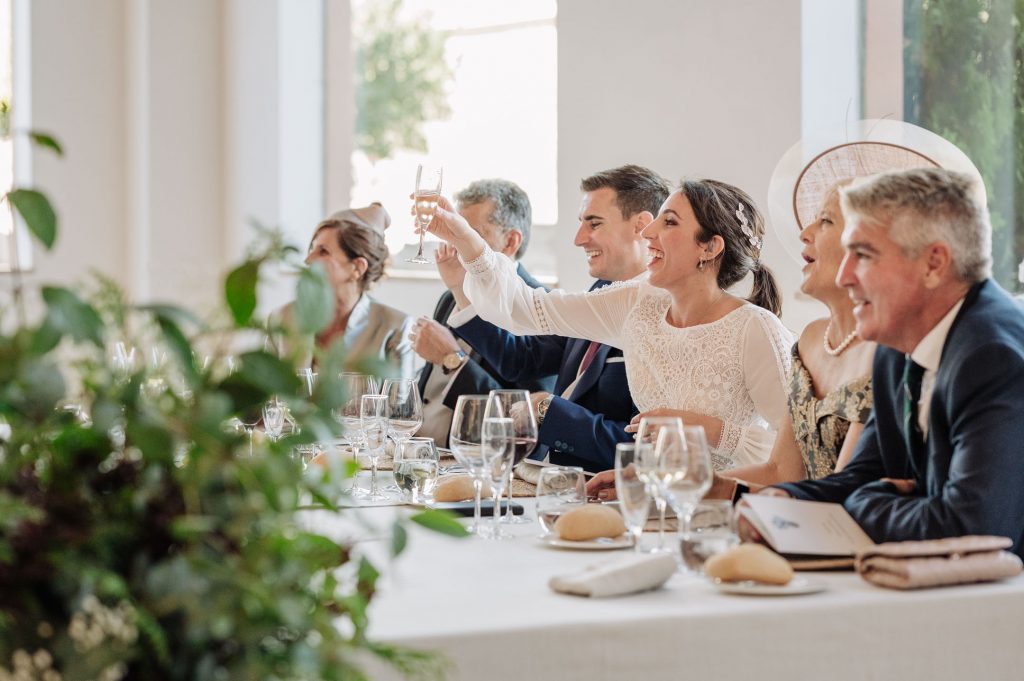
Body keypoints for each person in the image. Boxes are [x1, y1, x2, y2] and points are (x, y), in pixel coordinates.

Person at [423, 178, 794, 470]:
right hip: (646, 504)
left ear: (709, 248)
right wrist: (463, 236)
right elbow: (527, 308)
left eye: (669, 223)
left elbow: (797, 452)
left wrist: (710, 432)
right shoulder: (635, 303)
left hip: (727, 515)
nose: (648, 234)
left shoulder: (755, 330)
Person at [749, 167, 1024, 558]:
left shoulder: (992, 356)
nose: (845, 277)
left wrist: (866, 503)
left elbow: (973, 530)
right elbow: (866, 474)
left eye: (862, 255)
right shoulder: (898, 345)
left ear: (933, 264)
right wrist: (781, 499)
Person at [440, 165, 669, 471]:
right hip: (540, 477)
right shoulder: (598, 293)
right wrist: (459, 285)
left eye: (594, 223)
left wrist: (551, 412)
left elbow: (648, 446)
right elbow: (521, 359)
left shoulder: (667, 314)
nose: (579, 239)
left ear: (641, 225)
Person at [412, 179, 555, 446]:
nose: (456, 243)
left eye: (470, 233)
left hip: (481, 464)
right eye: (454, 231)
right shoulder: (450, 295)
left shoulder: (540, 306)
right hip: (423, 453)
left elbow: (525, 422)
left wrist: (451, 359)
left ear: (511, 241)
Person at [274, 203, 415, 377]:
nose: (308, 260)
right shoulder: (283, 318)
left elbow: (402, 404)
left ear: (357, 268)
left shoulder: (395, 328)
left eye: (323, 251)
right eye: (312, 249)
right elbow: (265, 399)